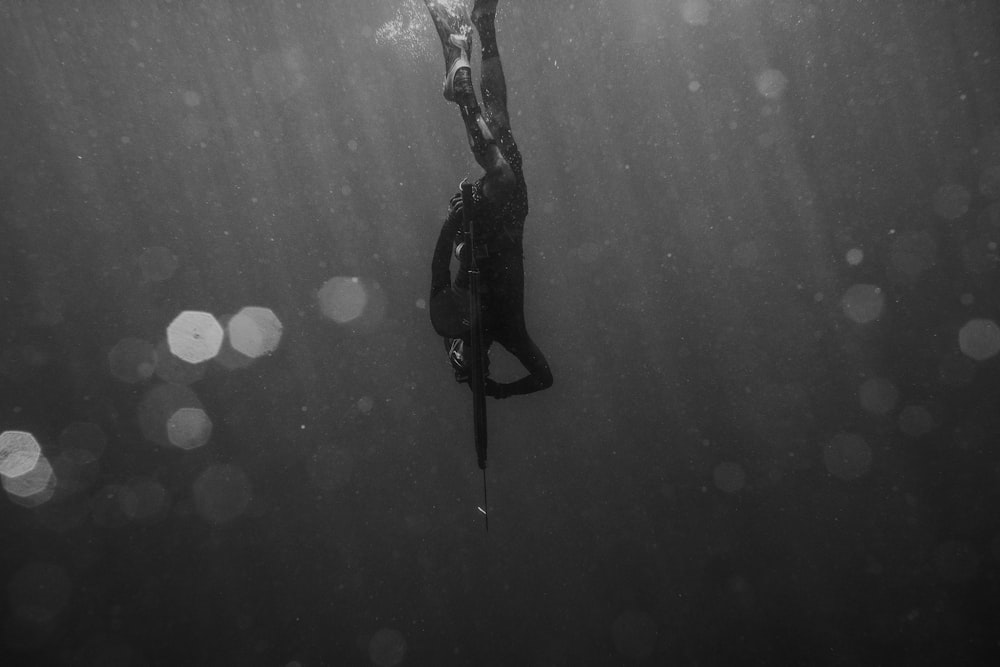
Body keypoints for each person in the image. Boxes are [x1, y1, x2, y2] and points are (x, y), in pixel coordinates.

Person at [426, 0, 552, 399]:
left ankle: (464, 98)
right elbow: (544, 378)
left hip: (484, 215)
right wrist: (497, 392)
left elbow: (436, 272)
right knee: (501, 124)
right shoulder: (506, 332)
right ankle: (485, 28)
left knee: (499, 170)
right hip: (511, 218)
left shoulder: (455, 327)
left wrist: (452, 221)